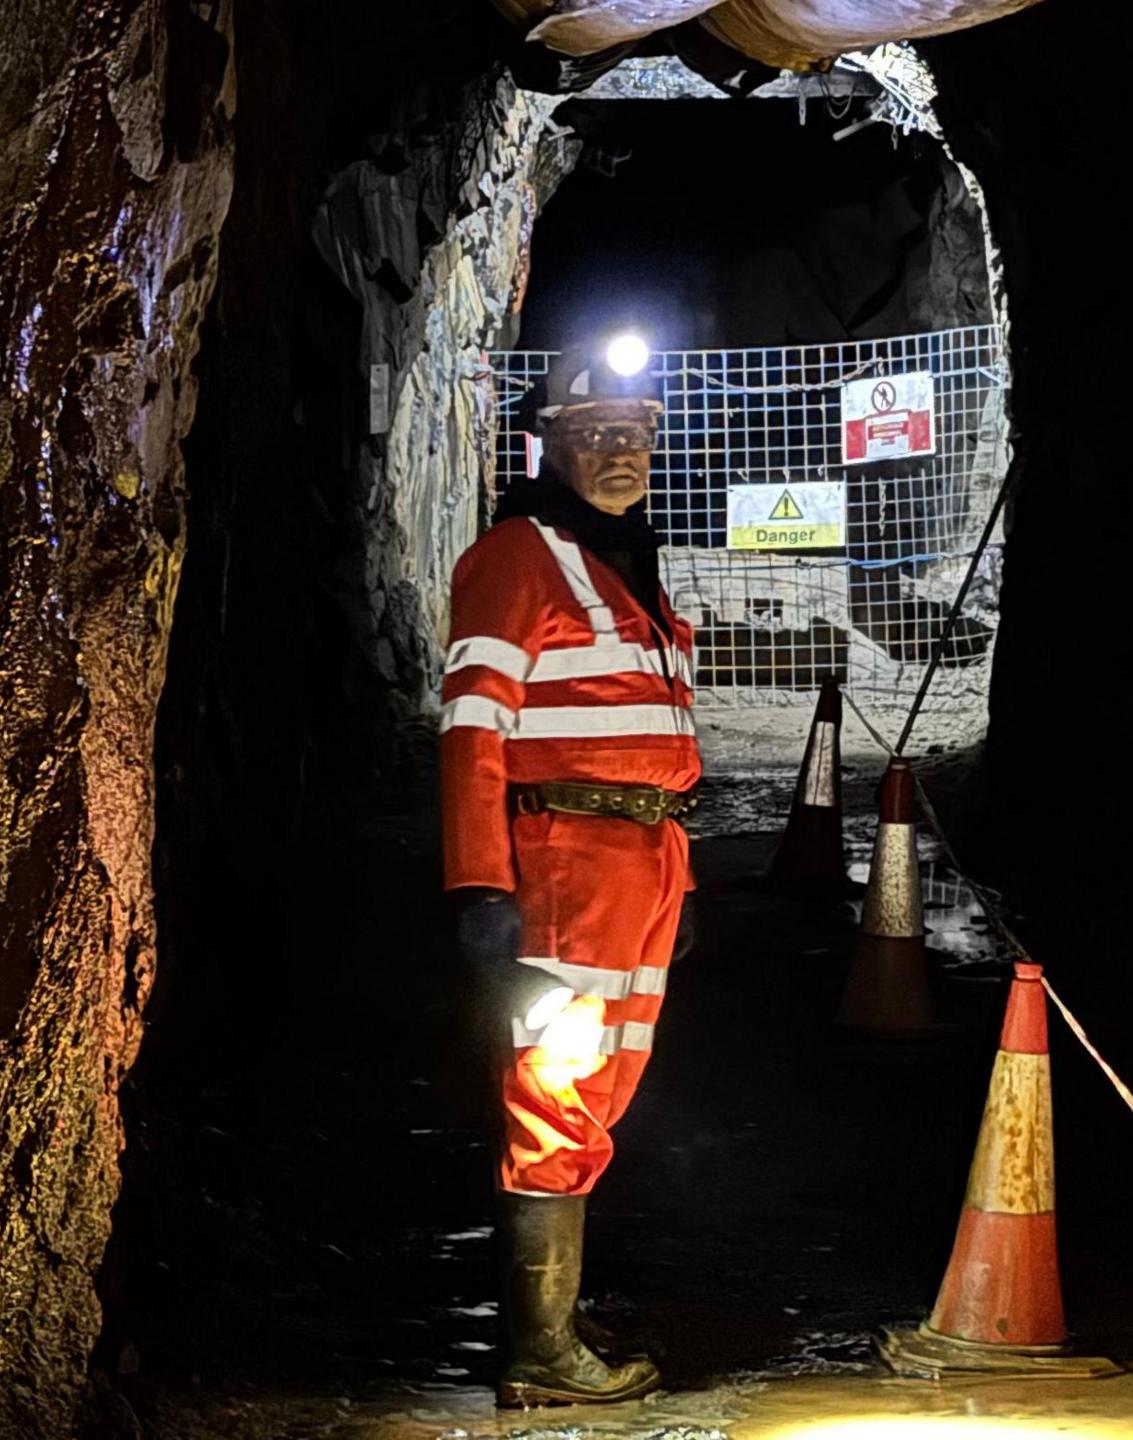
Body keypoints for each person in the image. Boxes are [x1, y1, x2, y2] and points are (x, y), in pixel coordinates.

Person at [440, 339, 700, 1407]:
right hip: (561, 859)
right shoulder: (516, 555)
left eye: (633, 436)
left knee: (605, 1085)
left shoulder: (629, 568)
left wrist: (685, 884)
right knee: (555, 1084)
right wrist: (479, 889)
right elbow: (471, 728)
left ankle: (553, 1314)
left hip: (641, 860)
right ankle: (540, 1353)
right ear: (550, 443)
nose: (617, 454)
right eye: (594, 437)